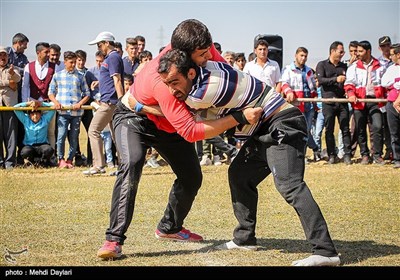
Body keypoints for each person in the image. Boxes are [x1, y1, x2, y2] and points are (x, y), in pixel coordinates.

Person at [156, 48, 340, 266]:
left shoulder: (201, 94)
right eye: (166, 84)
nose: (171, 89)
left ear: (191, 74)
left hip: (282, 123)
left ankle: (325, 250)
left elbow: (193, 124)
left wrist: (142, 105)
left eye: (174, 82)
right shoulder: (208, 71)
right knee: (239, 175)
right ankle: (244, 238)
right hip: (262, 130)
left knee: (290, 185)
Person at [96, 18, 262, 260]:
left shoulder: (201, 50)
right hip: (133, 118)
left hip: (164, 121)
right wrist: (239, 117)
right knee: (132, 164)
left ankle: (169, 227)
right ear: (183, 56)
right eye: (203, 54)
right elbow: (191, 130)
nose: (208, 57)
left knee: (191, 177)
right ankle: (113, 240)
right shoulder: (166, 79)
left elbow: (229, 77)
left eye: (208, 51)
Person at [83, 31, 124, 175]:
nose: (98, 48)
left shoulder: (112, 58)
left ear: (107, 43)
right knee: (116, 135)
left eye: (99, 44)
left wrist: (121, 101)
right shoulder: (112, 58)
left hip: (110, 103)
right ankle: (122, 167)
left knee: (93, 130)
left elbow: (117, 80)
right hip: (111, 102)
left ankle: (99, 165)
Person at [344, 40, 385, 165]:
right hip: (359, 101)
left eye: (361, 51)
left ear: (368, 51)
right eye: (357, 51)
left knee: (377, 127)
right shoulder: (354, 66)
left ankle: (377, 155)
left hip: (375, 101)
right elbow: (349, 83)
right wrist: (351, 94)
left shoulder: (380, 65)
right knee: (360, 129)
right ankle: (364, 155)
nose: (358, 54)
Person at [48, 51, 90, 168]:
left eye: (74, 62)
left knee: (74, 137)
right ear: (65, 62)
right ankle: (60, 159)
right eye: (71, 62)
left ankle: (70, 159)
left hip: (76, 113)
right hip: (62, 112)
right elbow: (51, 92)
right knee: (61, 136)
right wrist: (56, 103)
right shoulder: (58, 76)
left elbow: (87, 93)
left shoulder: (81, 77)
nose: (73, 65)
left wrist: (80, 103)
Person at [280, 47, 320, 163]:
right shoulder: (288, 69)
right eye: (301, 55)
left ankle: (308, 151)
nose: (303, 58)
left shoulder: (308, 70)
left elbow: (312, 86)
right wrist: (288, 92)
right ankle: (311, 150)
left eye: (305, 56)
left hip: (309, 105)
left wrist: (315, 98)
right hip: (297, 105)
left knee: (306, 130)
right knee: (301, 130)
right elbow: (284, 83)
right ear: (296, 55)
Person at [316, 41, 352, 165]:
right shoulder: (322, 65)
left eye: (343, 52)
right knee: (329, 129)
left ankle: (347, 155)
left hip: (342, 101)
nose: (342, 54)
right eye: (340, 51)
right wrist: (335, 79)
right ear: (332, 51)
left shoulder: (344, 66)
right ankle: (332, 154)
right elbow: (320, 80)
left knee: (345, 128)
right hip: (328, 102)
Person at [13, 101, 55, 167]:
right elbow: (15, 108)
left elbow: (53, 107)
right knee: (25, 152)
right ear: (29, 115)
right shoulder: (25, 119)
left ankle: (42, 162)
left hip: (42, 145)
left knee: (49, 150)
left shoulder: (45, 119)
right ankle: (32, 163)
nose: (35, 116)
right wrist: (28, 103)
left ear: (41, 114)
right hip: (29, 146)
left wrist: (40, 103)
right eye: (32, 114)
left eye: (37, 113)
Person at [0, 46, 21, 169]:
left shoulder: (14, 69)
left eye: (4, 55)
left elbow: (17, 80)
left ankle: (10, 163)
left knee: (11, 135)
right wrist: (8, 83)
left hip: (9, 106)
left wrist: (12, 75)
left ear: (8, 56)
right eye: (0, 55)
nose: (2, 58)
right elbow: (12, 84)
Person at [381, 43, 400, 168]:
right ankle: (397, 158)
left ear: (398, 55)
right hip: (391, 103)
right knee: (394, 132)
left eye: (392, 54)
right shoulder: (391, 68)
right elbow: (384, 82)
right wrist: (396, 82)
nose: (390, 56)